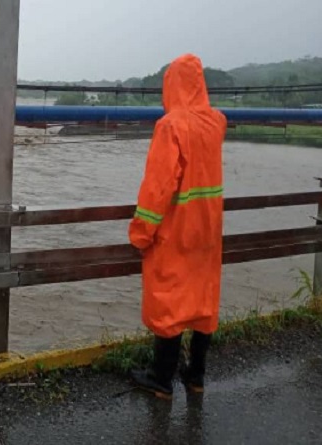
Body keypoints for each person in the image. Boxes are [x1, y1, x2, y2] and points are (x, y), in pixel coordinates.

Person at [128, 54, 226, 400]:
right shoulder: (216, 123)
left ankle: (161, 378)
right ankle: (196, 374)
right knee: (203, 298)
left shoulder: (171, 126)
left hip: (178, 229)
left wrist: (141, 233)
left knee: (168, 298)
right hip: (208, 228)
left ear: (172, 86)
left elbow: (157, 187)